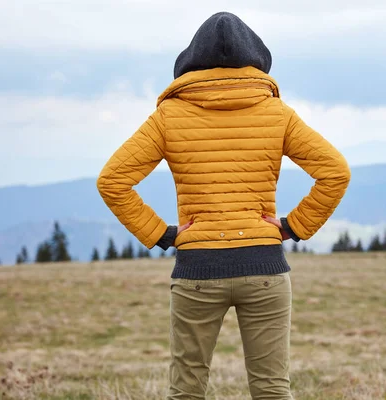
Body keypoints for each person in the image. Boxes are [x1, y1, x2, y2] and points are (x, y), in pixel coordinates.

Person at [97, 11, 350, 400]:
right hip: (264, 268)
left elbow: (112, 180)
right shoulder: (277, 113)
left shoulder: (168, 116)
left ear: (190, 61)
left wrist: (162, 234)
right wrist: (291, 227)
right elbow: (336, 172)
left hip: (198, 270)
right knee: (272, 389)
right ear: (256, 60)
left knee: (186, 390)